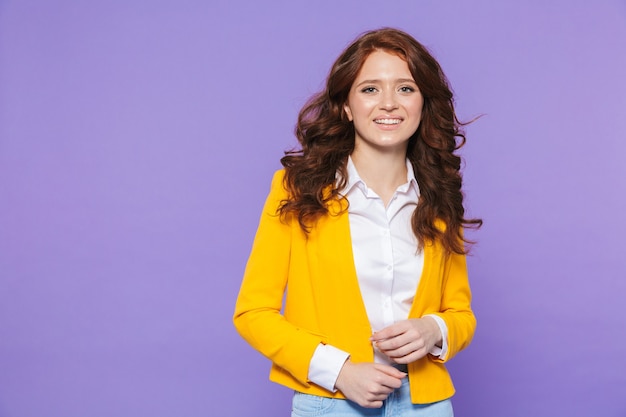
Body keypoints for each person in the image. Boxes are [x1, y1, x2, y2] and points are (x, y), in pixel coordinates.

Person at [233, 27, 482, 417]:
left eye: (405, 88)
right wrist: (340, 372)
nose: (388, 103)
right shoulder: (296, 191)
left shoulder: (440, 199)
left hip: (426, 405)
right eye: (370, 89)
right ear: (346, 106)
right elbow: (253, 313)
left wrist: (434, 330)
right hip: (330, 403)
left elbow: (460, 314)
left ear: (423, 104)